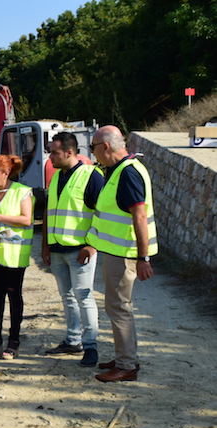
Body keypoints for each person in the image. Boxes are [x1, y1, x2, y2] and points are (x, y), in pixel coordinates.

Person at [84, 125, 157, 382]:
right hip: (119, 251)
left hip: (125, 252)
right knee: (117, 306)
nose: (92, 154)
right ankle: (125, 357)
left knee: (119, 307)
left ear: (105, 146)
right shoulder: (120, 171)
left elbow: (139, 214)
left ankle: (126, 364)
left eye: (93, 147)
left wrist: (143, 258)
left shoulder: (127, 173)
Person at [42, 132, 105, 367]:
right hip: (58, 249)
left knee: (85, 297)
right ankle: (73, 339)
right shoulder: (57, 177)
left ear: (69, 152)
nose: (50, 157)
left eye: (54, 153)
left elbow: (102, 214)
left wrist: (92, 244)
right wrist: (46, 246)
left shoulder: (92, 176)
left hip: (80, 250)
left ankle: (90, 347)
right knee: (67, 297)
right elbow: (49, 213)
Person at [0, 155, 34, 360]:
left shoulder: (22, 192)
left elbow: (27, 219)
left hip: (15, 254)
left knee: (14, 296)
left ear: (6, 173)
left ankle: (13, 342)